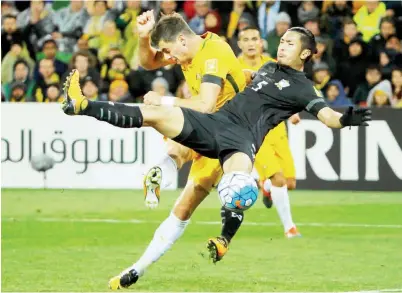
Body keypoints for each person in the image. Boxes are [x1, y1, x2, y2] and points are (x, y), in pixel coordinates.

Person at [61, 25, 371, 290]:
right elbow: (248, 78)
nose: (283, 45)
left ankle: (207, 242)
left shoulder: (304, 88)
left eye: (291, 42)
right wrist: (242, 74)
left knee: (237, 189)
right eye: (283, 40)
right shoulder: (266, 69)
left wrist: (345, 120)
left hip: (242, 141)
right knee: (158, 114)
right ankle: (83, 105)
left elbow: (328, 116)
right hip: (215, 125)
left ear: (305, 53)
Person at [135, 11, 248, 269]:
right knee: (178, 149)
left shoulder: (213, 53)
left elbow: (207, 104)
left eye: (168, 50)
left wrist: (163, 99)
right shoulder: (186, 51)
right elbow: (148, 63)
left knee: (187, 204)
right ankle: (135, 270)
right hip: (206, 126)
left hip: (227, 134)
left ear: (182, 40)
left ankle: (139, 267)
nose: (170, 58)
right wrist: (143, 37)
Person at [236, 26, 301, 237]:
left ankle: (265, 186)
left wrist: (292, 112)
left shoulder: (273, 65)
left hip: (278, 129)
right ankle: (289, 228)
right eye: (246, 39)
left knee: (289, 183)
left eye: (254, 38)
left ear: (261, 42)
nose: (251, 43)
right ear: (239, 44)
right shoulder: (235, 69)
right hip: (255, 132)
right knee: (279, 179)